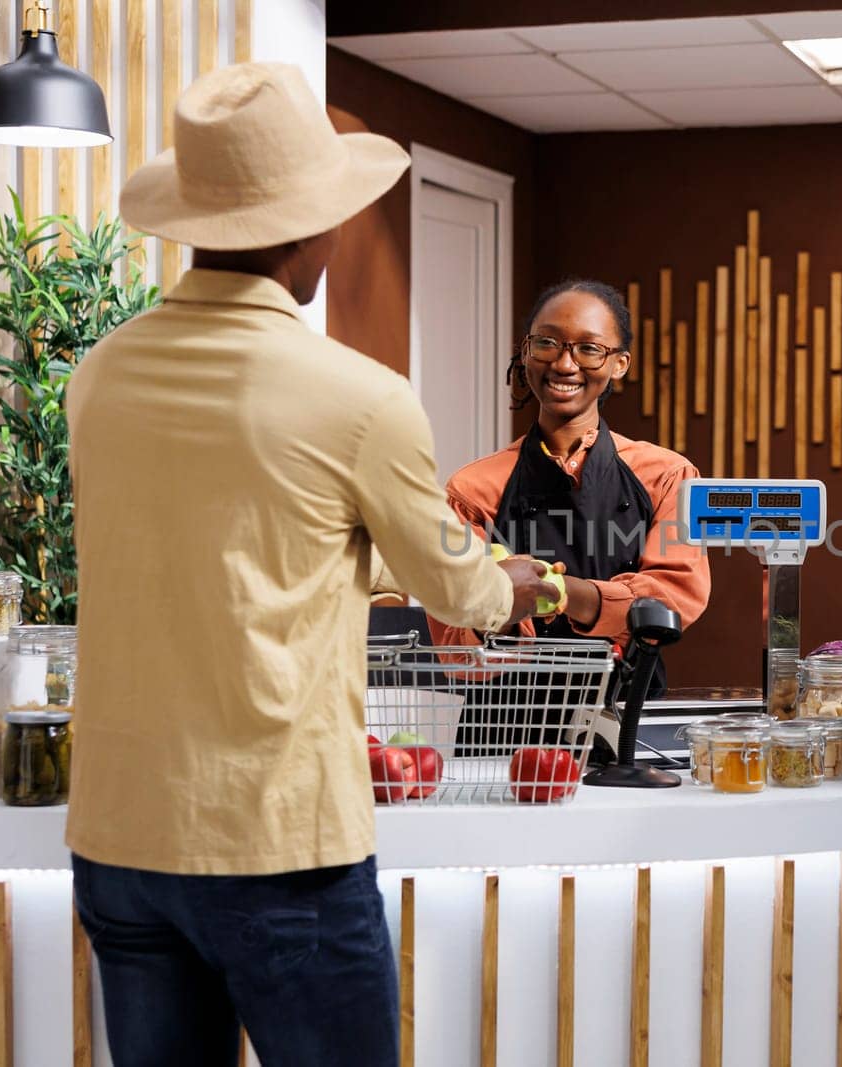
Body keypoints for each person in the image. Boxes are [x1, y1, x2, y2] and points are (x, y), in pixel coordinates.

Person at [64, 63, 557, 1066]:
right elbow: (457, 586)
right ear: (308, 231)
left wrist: (369, 567)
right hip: (275, 837)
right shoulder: (357, 396)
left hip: (120, 835)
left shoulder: (101, 374)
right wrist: (516, 580)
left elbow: (238, 552)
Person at [430, 281, 712, 695]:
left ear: (619, 364)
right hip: (502, 736)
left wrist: (556, 592)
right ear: (526, 352)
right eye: (548, 343)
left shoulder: (668, 475)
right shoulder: (472, 491)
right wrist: (500, 607)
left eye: (589, 348)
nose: (565, 364)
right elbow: (457, 655)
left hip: (627, 719)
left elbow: (670, 601)